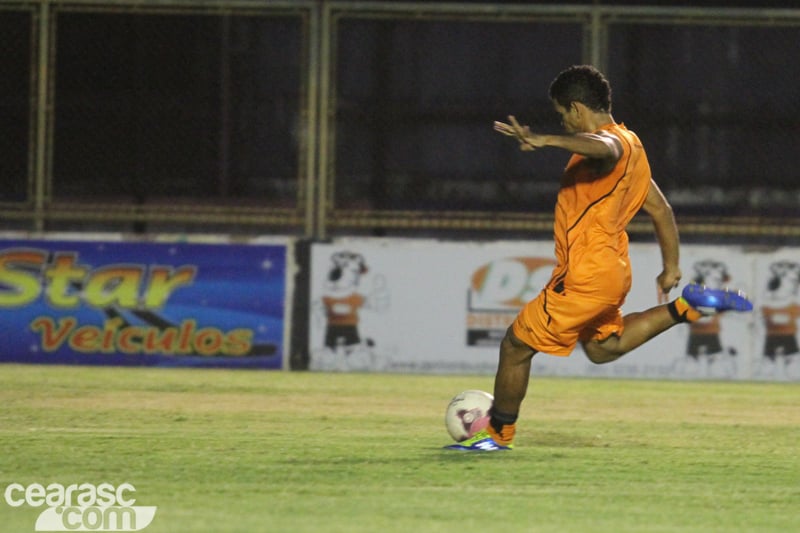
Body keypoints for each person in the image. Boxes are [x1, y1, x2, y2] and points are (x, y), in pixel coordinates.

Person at [446, 65, 753, 451]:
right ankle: (687, 308)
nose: (564, 122)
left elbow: (603, 148)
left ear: (576, 109)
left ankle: (496, 436)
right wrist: (671, 266)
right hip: (612, 270)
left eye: (562, 115)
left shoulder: (611, 143)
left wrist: (548, 140)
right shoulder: (634, 145)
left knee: (515, 346)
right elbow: (661, 209)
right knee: (602, 348)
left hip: (586, 274)